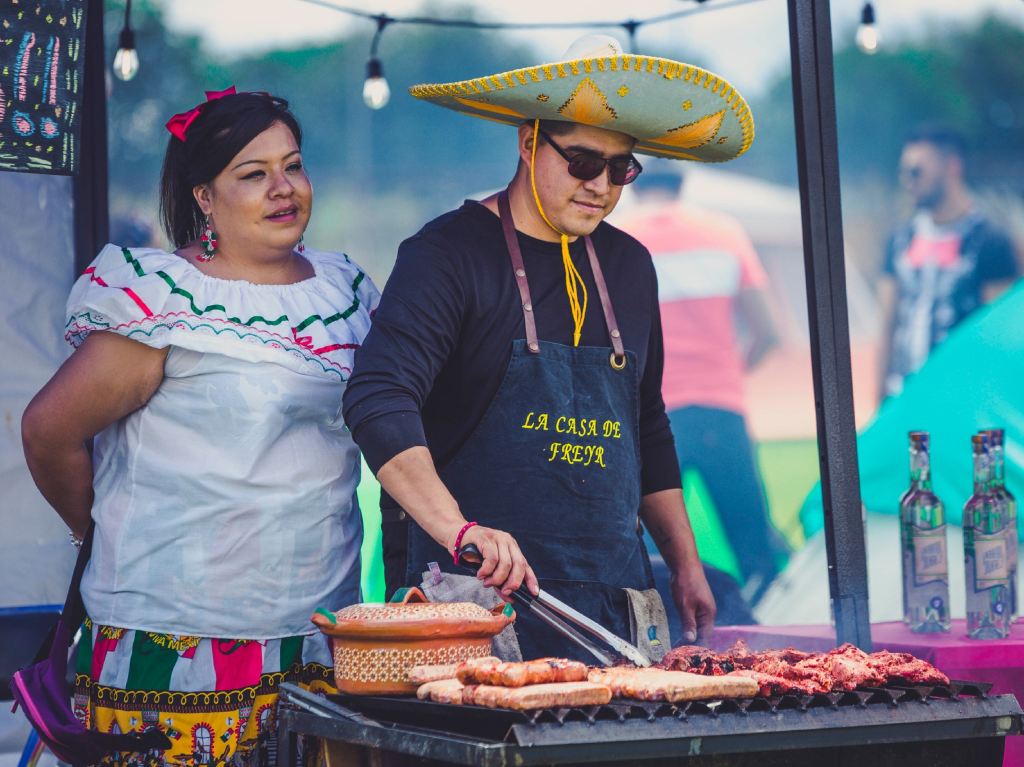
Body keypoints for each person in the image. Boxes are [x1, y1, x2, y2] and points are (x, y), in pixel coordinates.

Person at [343, 35, 755, 660]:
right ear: (529, 141)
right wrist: (462, 531)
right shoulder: (446, 254)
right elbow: (377, 398)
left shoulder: (631, 265)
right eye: (585, 161)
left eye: (622, 169)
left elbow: (645, 424)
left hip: (615, 601)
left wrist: (685, 563)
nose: (603, 186)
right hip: (470, 602)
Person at [21, 88, 378, 766]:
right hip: (174, 638)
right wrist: (94, 531)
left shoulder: (343, 292)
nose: (284, 188)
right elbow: (47, 430)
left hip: (315, 628)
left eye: (293, 165)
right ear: (205, 196)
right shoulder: (166, 299)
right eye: (253, 173)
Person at [616, 168, 787, 606]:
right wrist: (727, 371)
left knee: (647, 549)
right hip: (719, 407)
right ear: (681, 185)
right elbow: (768, 330)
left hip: (649, 416)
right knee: (754, 547)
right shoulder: (723, 232)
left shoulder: (616, 235)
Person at [880, 124, 1018, 399]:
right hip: (904, 398)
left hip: (963, 399)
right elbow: (887, 325)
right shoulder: (899, 240)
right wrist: (878, 401)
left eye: (916, 171)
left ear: (952, 167)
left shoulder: (990, 241)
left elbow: (1000, 336)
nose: (908, 180)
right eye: (903, 172)